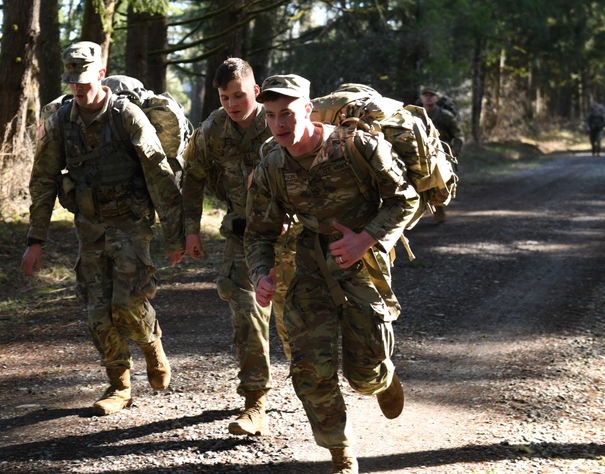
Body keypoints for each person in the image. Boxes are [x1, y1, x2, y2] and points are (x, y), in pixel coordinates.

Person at [245, 74, 420, 474]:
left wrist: (367, 238)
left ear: (307, 109)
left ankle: (382, 376)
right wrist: (260, 274)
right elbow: (258, 231)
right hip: (305, 261)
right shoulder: (272, 164)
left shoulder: (357, 146)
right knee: (310, 366)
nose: (279, 125)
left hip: (361, 259)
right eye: (270, 116)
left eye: (287, 114)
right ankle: (340, 453)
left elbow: (403, 198)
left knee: (363, 374)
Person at [22, 41, 185, 416]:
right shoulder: (62, 122)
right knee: (98, 313)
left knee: (127, 305)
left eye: (84, 80)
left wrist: (175, 235)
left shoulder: (126, 115)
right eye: (72, 81)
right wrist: (36, 239)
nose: (78, 89)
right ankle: (119, 385)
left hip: (130, 223)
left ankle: (151, 344)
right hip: (90, 228)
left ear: (100, 72)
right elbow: (43, 180)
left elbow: (159, 174)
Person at [178, 57, 296, 437]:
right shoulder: (212, 129)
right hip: (243, 235)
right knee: (246, 311)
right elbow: (192, 177)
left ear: (256, 91)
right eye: (225, 96)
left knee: (299, 319)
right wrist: (191, 230)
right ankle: (254, 401)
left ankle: (324, 387)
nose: (232, 103)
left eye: (239, 95)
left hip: (292, 237)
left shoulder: (279, 121)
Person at [420, 87, 464, 223]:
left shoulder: (445, 115)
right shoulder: (415, 115)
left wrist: (454, 151)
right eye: (425, 95)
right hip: (420, 153)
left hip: (441, 154)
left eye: (431, 95)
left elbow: (458, 135)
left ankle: (439, 211)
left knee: (439, 184)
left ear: (436, 98)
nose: (428, 98)